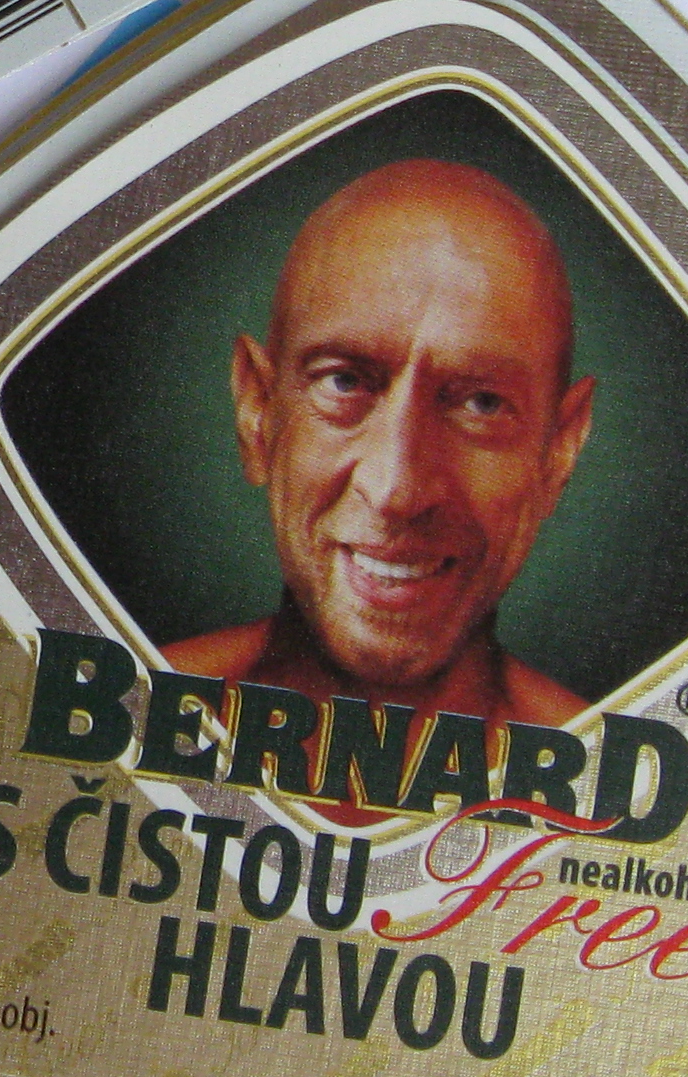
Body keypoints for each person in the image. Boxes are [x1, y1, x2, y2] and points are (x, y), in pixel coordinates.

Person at [167, 157, 594, 723]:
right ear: (258, 411)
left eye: (482, 403)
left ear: (558, 452)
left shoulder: (609, 767)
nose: (397, 491)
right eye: (344, 383)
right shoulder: (130, 707)